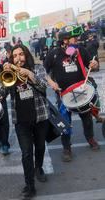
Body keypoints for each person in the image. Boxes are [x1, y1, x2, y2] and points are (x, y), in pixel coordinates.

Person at [44, 25, 100, 162]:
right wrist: (51, 83)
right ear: (65, 40)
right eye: (74, 38)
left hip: (82, 92)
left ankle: (90, 138)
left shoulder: (81, 50)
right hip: (64, 95)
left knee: (87, 119)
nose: (77, 39)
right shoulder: (54, 54)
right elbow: (42, 72)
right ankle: (66, 147)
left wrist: (94, 64)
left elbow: (93, 65)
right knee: (65, 122)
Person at [0, 44, 49, 199]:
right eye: (15, 56)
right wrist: (5, 73)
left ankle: (39, 168)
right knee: (26, 153)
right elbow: (2, 92)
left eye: (21, 54)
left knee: (40, 147)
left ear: (26, 55)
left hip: (40, 117)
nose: (18, 58)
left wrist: (28, 73)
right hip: (21, 120)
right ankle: (29, 185)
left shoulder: (38, 68)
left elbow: (43, 87)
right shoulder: (10, 72)